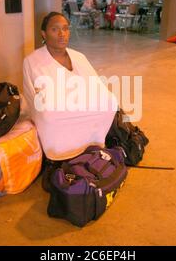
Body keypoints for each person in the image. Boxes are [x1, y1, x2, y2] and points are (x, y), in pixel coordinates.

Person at [22, 12, 118, 162]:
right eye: (55, 29)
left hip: (77, 101)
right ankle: (60, 151)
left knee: (110, 101)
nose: (62, 34)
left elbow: (96, 85)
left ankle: (92, 142)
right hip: (57, 108)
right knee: (50, 112)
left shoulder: (79, 57)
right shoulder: (32, 61)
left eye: (65, 29)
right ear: (44, 34)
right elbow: (36, 98)